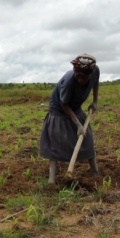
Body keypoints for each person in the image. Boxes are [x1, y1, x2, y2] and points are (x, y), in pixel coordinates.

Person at [39, 53, 100, 183]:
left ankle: (95, 173)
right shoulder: (68, 81)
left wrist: (95, 100)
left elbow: (95, 82)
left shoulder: (95, 71)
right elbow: (64, 104)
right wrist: (78, 125)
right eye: (77, 75)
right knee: (55, 144)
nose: (80, 79)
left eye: (83, 77)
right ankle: (51, 180)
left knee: (87, 139)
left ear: (90, 73)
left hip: (76, 108)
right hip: (59, 110)